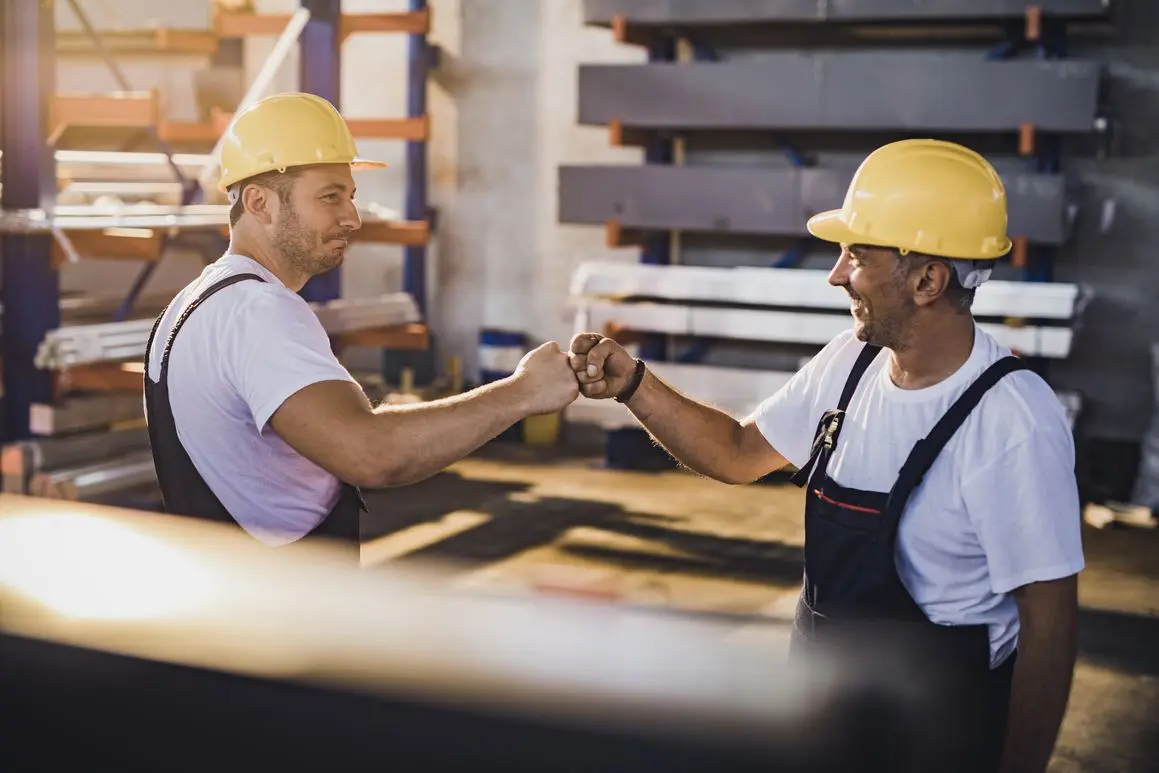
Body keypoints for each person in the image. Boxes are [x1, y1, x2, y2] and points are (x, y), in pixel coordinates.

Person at [568, 139, 1083, 773]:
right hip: (825, 715)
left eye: (857, 256)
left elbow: (1049, 622)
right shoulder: (850, 362)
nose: (836, 275)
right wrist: (633, 386)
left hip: (938, 739)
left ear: (928, 280)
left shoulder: (1012, 419)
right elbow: (737, 452)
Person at [143, 92, 578, 553]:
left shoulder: (190, 306)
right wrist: (524, 392)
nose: (352, 218)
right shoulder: (257, 310)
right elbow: (373, 454)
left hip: (230, 586)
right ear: (259, 203)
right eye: (329, 197)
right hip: (281, 594)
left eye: (350, 197)